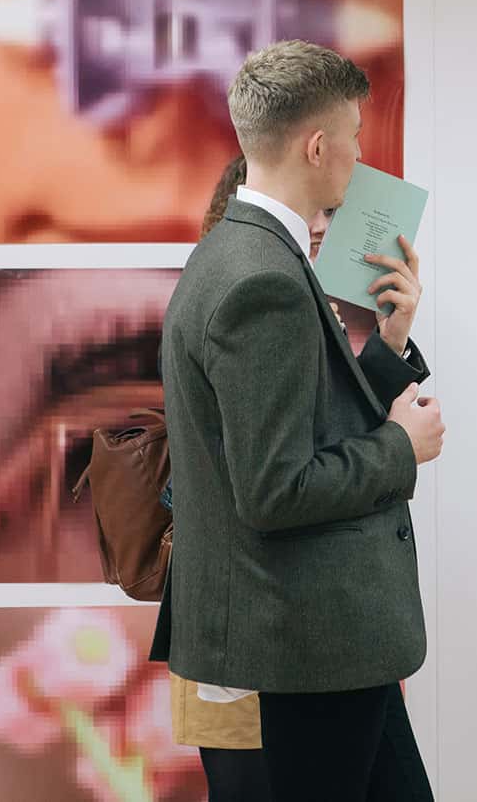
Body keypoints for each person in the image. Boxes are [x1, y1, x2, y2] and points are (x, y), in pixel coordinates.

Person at [152, 41, 445, 802]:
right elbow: (275, 487)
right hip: (308, 646)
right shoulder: (263, 280)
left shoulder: (240, 256)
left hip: (326, 646)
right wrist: (401, 448)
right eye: (353, 133)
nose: (357, 151)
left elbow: (299, 427)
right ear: (318, 146)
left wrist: (385, 347)